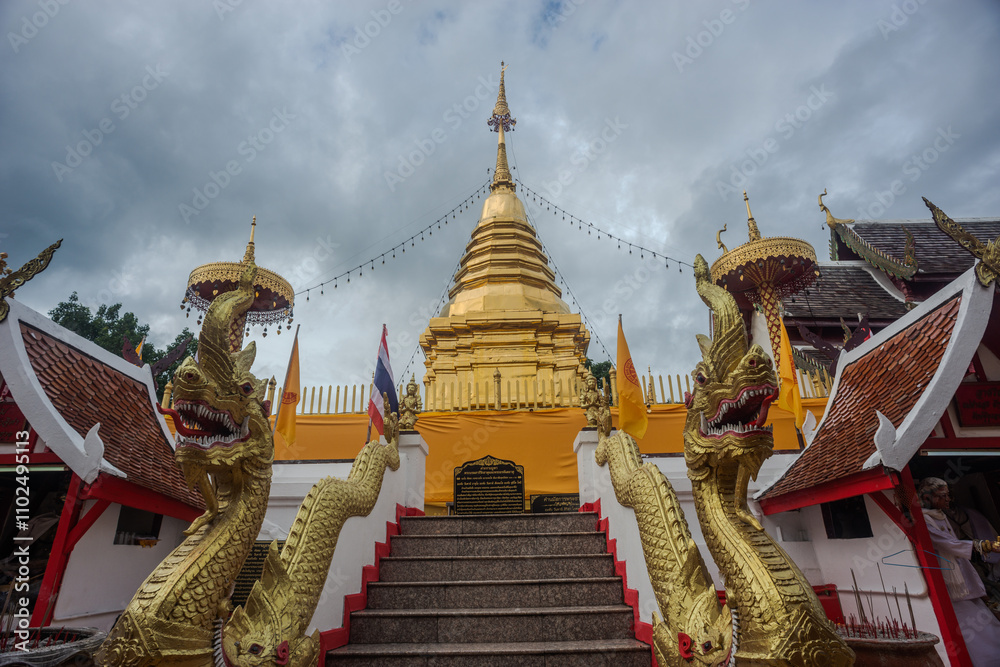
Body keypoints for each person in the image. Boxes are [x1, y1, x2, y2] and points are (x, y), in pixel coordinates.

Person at [918, 477, 1000, 665]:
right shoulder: (924, 520)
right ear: (928, 497)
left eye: (948, 495)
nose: (948, 500)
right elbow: (950, 545)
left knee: (982, 614)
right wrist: (987, 546)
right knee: (970, 622)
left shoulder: (940, 515)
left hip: (963, 570)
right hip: (949, 579)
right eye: (942, 496)